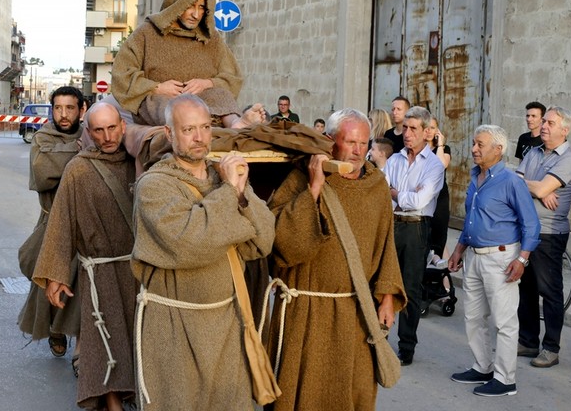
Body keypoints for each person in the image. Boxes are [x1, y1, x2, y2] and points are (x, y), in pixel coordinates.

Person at [131, 94, 275, 410]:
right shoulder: (154, 186)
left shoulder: (224, 179)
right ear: (169, 134)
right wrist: (230, 197)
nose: (200, 137)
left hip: (226, 324)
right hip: (174, 328)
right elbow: (192, 242)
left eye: (206, 127)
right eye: (188, 129)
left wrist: (238, 195)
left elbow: (263, 240)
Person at [267, 108, 406, 411]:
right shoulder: (299, 179)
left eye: (363, 144)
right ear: (330, 142)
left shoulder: (376, 185)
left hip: (354, 311)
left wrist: (386, 297)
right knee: (302, 391)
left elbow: (385, 244)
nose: (358, 152)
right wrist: (315, 187)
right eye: (350, 142)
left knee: (351, 389)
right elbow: (282, 245)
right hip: (305, 310)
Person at [32, 102, 138, 411]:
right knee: (103, 337)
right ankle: (111, 401)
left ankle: (128, 395)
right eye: (99, 130)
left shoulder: (138, 163)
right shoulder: (78, 169)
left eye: (112, 128)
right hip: (100, 273)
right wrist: (56, 275)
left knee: (133, 338)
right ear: (89, 133)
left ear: (123, 126)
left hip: (135, 269)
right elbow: (62, 222)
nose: (107, 137)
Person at [447, 125, 541, 397]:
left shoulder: (511, 181)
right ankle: (482, 366)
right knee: (473, 317)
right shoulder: (475, 176)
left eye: (480, 144)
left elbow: (531, 225)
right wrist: (458, 250)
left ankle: (505, 379)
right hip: (474, 256)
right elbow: (471, 220)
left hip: (502, 257)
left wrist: (522, 259)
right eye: (474, 144)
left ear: (498, 149)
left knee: (504, 321)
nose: (474, 149)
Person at [110, 0, 265, 129]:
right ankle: (186, 126)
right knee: (162, 105)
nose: (196, 14)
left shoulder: (211, 38)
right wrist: (157, 87)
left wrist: (207, 83)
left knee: (220, 95)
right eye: (190, 6)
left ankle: (236, 123)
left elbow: (232, 77)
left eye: (201, 7)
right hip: (162, 99)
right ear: (176, 3)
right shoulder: (147, 33)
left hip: (202, 100)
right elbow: (122, 75)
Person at [17, 86, 85, 367]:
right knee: (49, 278)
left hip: (84, 223)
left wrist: (71, 152)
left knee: (81, 283)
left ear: (82, 110)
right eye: (58, 108)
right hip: (52, 223)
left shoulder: (91, 134)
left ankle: (74, 336)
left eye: (70, 108)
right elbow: (44, 171)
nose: (64, 114)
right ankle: (54, 331)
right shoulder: (43, 137)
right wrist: (80, 152)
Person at [516, 106, 571, 368]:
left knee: (550, 291)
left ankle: (551, 348)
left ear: (564, 130)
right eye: (543, 121)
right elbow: (513, 178)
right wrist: (540, 189)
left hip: (549, 233)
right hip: (526, 230)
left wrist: (539, 188)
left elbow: (530, 184)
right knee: (526, 288)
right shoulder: (533, 152)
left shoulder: (568, 159)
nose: (543, 126)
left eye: (550, 123)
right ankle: (528, 341)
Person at [384, 106, 444, 366]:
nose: (407, 134)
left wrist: (396, 193)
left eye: (413, 129)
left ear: (426, 132)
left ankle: (406, 346)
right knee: (383, 282)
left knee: (409, 288)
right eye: (405, 128)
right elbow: (380, 190)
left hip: (416, 227)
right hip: (391, 224)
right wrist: (399, 195)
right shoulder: (395, 159)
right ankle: (379, 340)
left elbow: (420, 200)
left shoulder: (434, 165)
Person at [425, 116, 451, 265]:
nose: (429, 131)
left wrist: (440, 145)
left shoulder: (444, 149)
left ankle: (437, 257)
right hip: (422, 194)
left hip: (439, 194)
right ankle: (431, 257)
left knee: (439, 228)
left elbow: (442, 164)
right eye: (426, 127)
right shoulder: (417, 148)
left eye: (433, 127)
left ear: (437, 131)